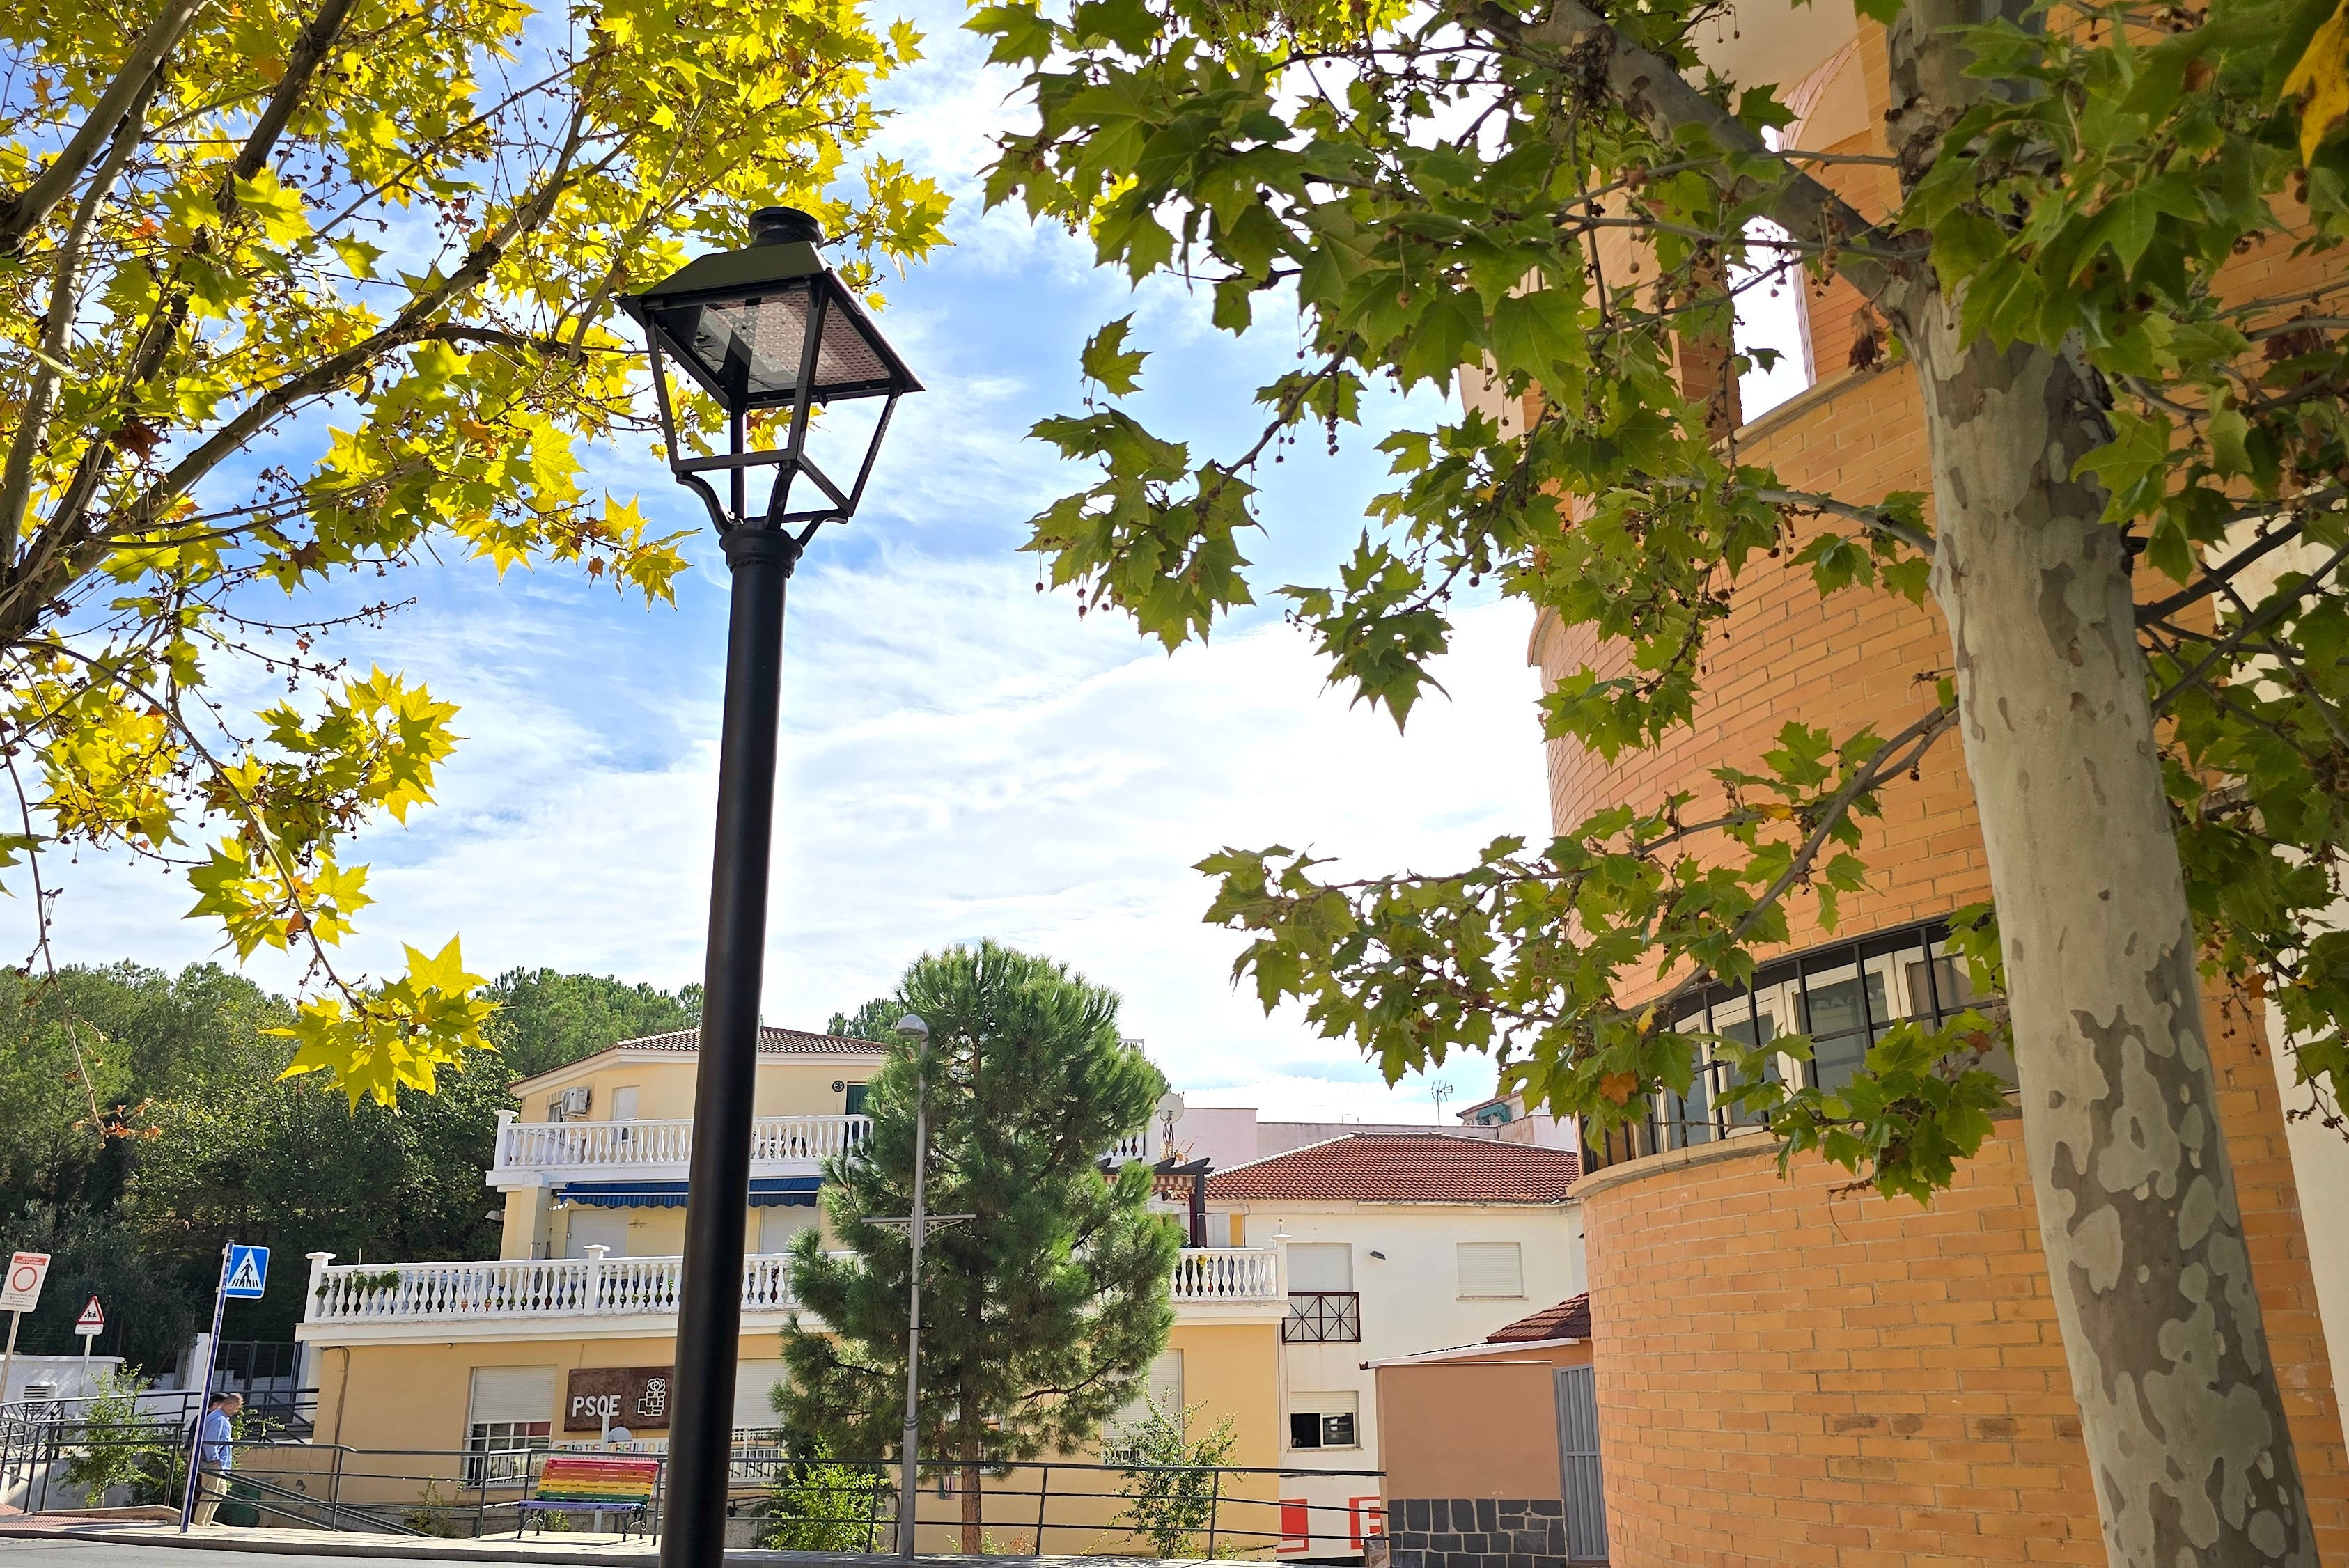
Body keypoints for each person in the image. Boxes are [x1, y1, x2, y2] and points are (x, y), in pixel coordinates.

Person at [191, 1392, 241, 1526]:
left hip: (217, 1464)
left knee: (220, 1491)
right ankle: (200, 1524)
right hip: (212, 1463)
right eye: (236, 1408)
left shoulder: (220, 1418)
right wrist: (214, 1459)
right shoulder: (218, 1419)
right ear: (231, 1406)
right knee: (210, 1493)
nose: (236, 1412)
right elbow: (210, 1441)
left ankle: (206, 1521)